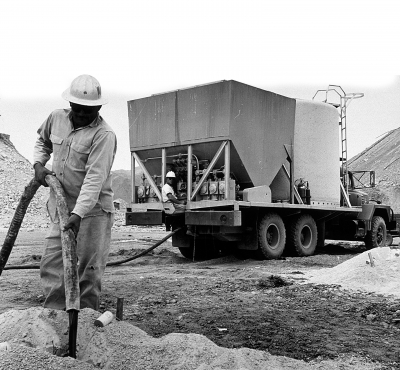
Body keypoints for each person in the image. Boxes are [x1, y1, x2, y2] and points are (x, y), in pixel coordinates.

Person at [33, 74, 117, 310]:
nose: (81, 115)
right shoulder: (55, 118)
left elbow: (94, 178)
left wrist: (79, 213)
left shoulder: (104, 135)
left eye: (87, 111)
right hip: (62, 208)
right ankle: (56, 319)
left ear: (98, 107)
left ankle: (86, 323)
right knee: (52, 264)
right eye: (77, 109)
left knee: (87, 271)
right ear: (70, 104)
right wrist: (39, 164)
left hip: (93, 213)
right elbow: (42, 141)